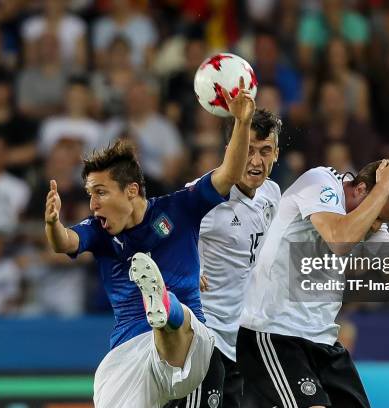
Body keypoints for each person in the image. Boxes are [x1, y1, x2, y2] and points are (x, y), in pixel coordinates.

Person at [44, 78, 255, 408]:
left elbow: (228, 174)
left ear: (130, 191)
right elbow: (65, 242)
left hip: (189, 342)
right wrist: (53, 223)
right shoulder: (99, 232)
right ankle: (163, 307)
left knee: (180, 330)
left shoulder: (179, 208)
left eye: (100, 193)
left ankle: (165, 306)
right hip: (128, 356)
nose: (93, 204)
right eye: (89, 195)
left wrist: (242, 123)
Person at [237, 156, 389, 408]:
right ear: (361, 189)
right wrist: (383, 189)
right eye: (378, 215)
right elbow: (339, 239)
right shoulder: (320, 181)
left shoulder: (369, 217)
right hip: (273, 332)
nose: (377, 225)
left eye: (384, 221)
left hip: (322, 339)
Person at [168, 109, 282, 408]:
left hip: (237, 343)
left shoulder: (271, 194)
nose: (256, 161)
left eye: (265, 151)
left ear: (277, 154)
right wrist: (185, 265)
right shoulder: (203, 197)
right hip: (199, 337)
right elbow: (153, 236)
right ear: (231, 150)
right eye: (247, 149)